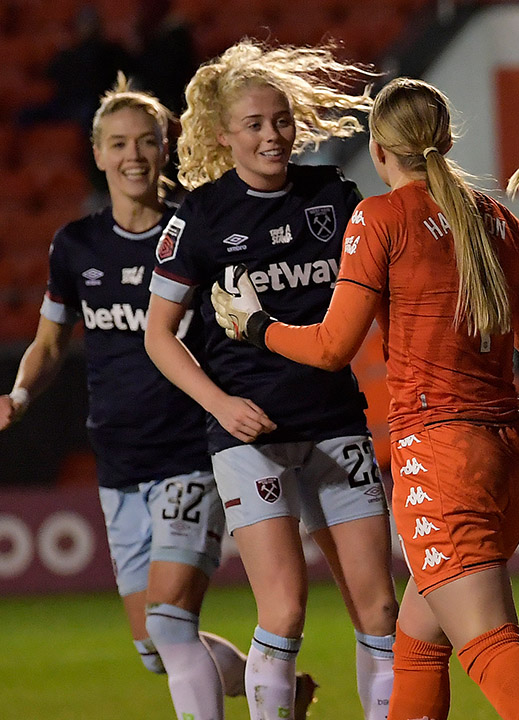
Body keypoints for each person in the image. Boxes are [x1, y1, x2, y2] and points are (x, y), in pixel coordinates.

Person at [210, 77, 519, 720]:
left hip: (443, 458)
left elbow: (330, 347)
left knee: (491, 647)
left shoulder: (380, 218)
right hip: (512, 456)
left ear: (380, 151)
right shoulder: (500, 221)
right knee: (417, 643)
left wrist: (254, 325)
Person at [0, 75, 315, 720]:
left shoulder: (194, 228)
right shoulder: (75, 246)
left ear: (166, 147)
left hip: (191, 453)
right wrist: (21, 392)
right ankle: (280, 686)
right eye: (119, 143)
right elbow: (51, 342)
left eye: (147, 141)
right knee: (156, 643)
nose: (133, 156)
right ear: (97, 153)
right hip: (120, 462)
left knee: (170, 619)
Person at [143, 41, 398, 720]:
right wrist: (221, 405)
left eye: (281, 121)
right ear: (225, 135)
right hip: (248, 435)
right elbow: (158, 337)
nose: (272, 136)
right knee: (283, 610)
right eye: (254, 125)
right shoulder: (199, 217)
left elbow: (390, 285)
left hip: (335, 420)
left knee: (379, 607)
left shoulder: (332, 196)